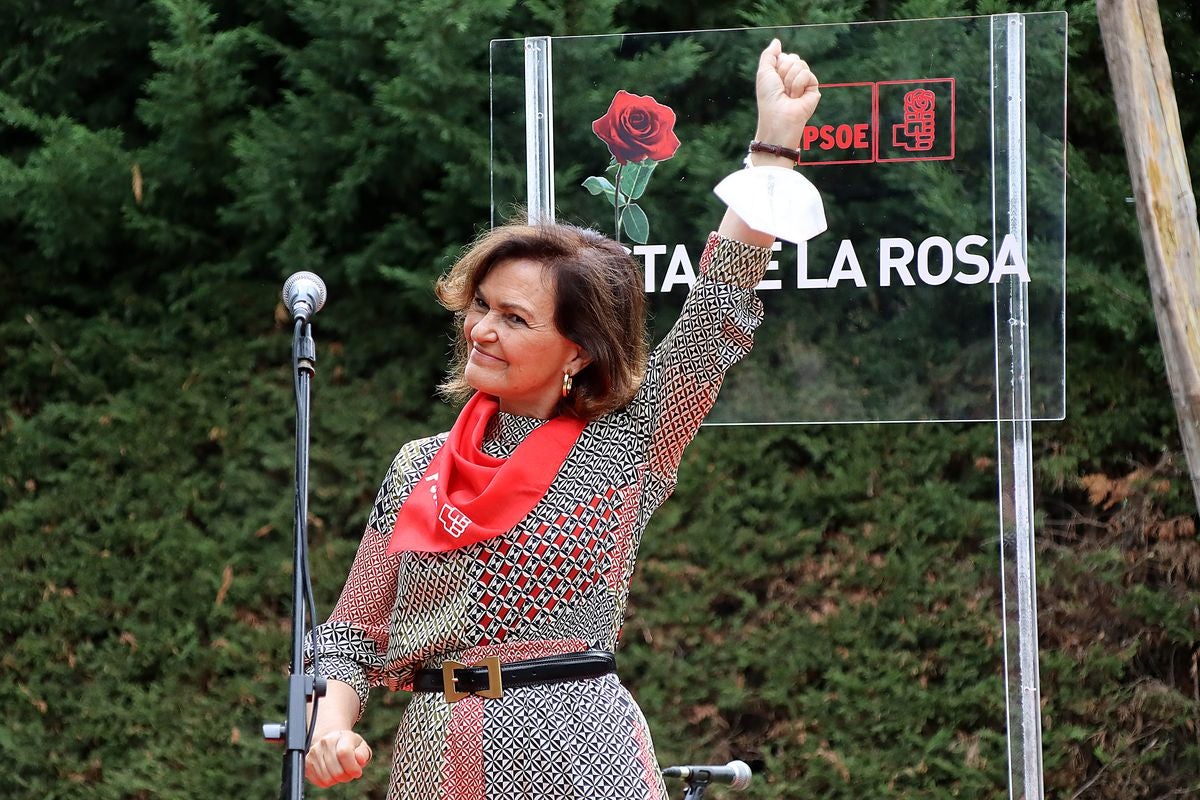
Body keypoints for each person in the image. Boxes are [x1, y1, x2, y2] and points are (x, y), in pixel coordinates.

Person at [302, 39, 821, 800]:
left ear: (579, 351)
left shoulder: (629, 441)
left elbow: (714, 315)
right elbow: (349, 635)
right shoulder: (419, 467)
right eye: (480, 306)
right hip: (434, 756)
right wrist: (331, 726)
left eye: (514, 318)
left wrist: (774, 146)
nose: (481, 329)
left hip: (576, 747)